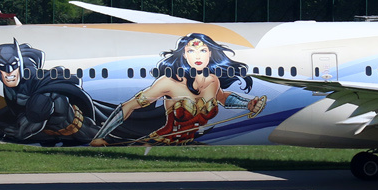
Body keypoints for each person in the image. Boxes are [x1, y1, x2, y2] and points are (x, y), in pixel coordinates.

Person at [91, 32, 267, 146]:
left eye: (203, 51)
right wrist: (100, 136)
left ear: (211, 53)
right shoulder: (169, 83)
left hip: (190, 144)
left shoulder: (213, 80)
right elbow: (129, 106)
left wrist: (248, 103)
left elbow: (222, 98)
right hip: (159, 142)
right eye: (191, 51)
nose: (198, 56)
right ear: (183, 54)